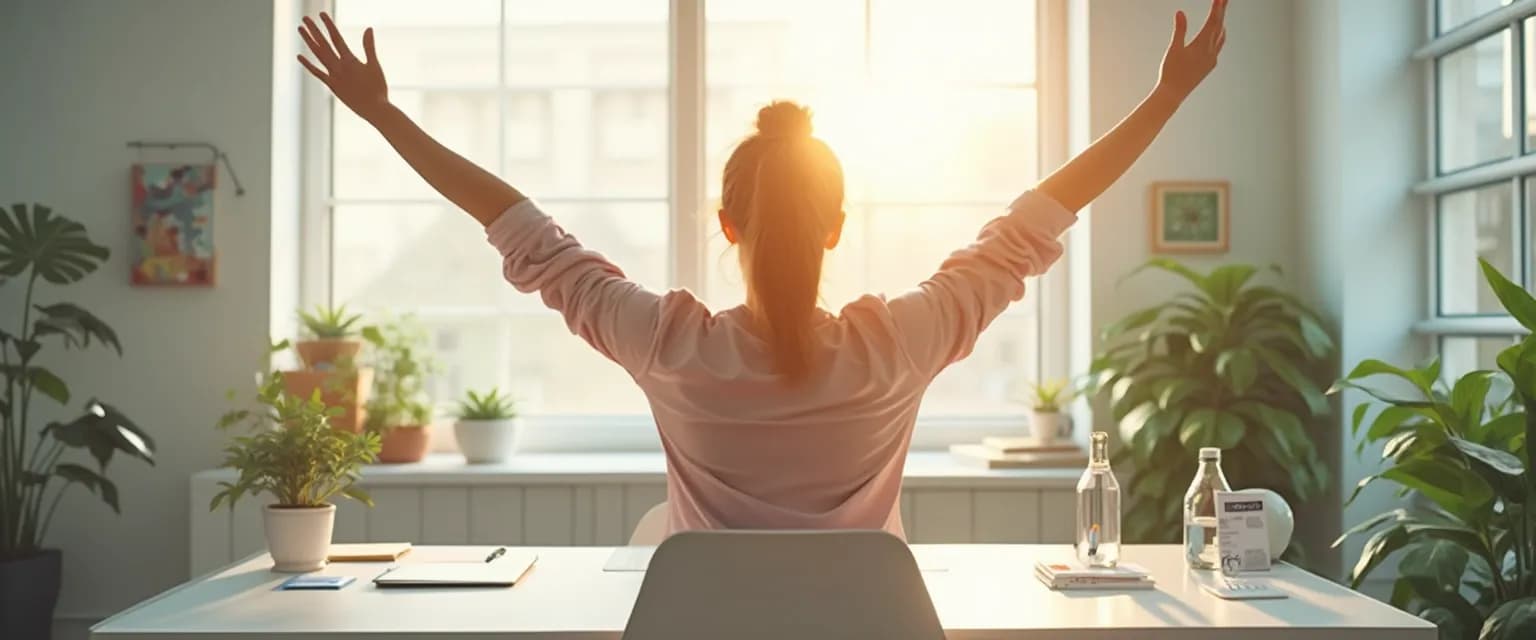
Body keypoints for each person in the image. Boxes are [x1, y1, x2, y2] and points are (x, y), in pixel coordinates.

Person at [297, 0, 1229, 539]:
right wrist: (1165, 97)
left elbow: (521, 230)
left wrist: (385, 116)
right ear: (836, 228)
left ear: (726, 223)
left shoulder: (666, 344)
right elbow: (1036, 221)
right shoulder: (899, 344)